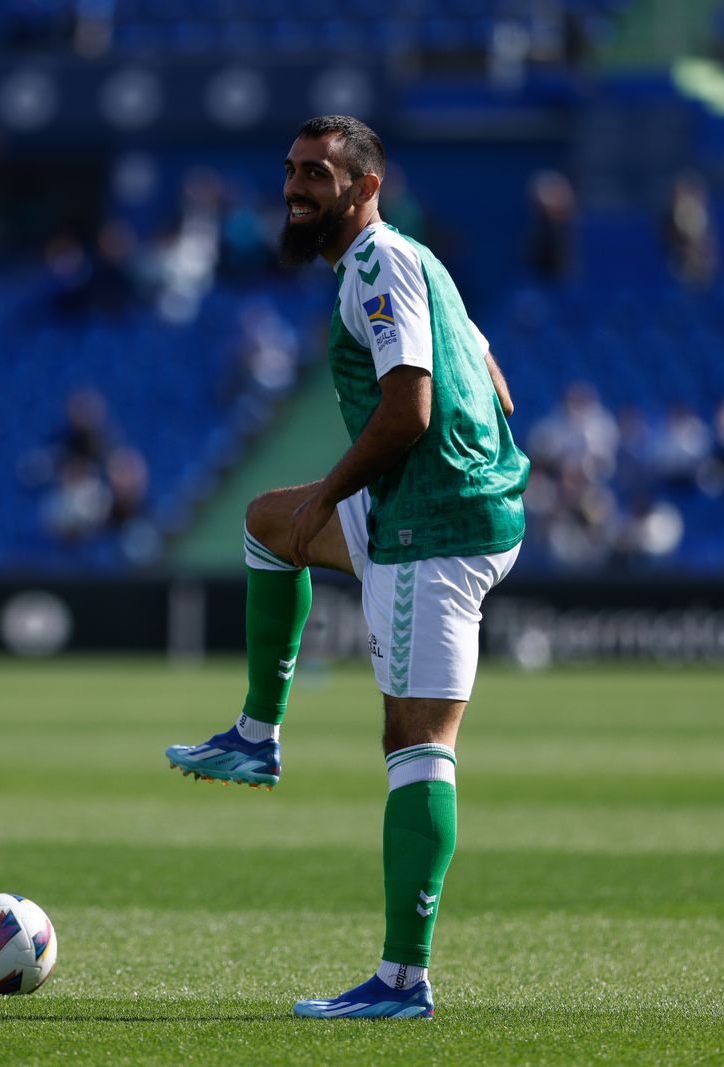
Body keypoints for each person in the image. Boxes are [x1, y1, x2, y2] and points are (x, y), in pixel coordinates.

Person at [164, 116, 528, 1021]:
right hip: (437, 501)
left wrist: (336, 492)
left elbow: (409, 404)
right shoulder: (415, 260)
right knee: (264, 523)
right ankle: (256, 733)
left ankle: (403, 982)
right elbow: (491, 372)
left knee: (415, 741)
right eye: (290, 170)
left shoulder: (376, 264)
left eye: (317, 174)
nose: (296, 187)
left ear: (366, 187)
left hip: (431, 523)